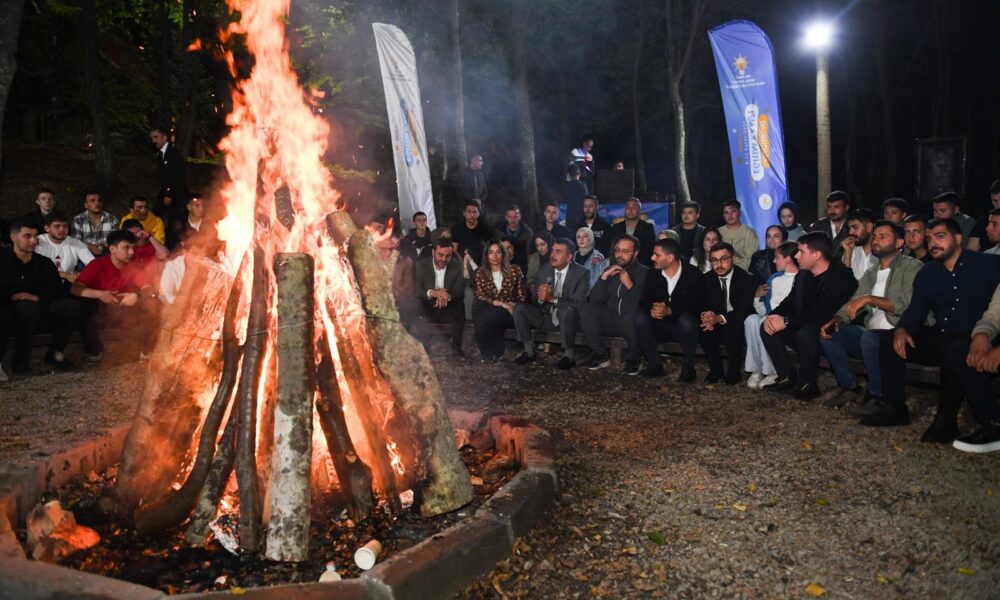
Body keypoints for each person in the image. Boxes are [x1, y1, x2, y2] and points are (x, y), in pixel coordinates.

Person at [869, 219, 1000, 446]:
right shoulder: (928, 273)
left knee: (956, 348)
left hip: (978, 338)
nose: (932, 243)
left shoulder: (986, 264)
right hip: (943, 335)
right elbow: (916, 310)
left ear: (958, 239)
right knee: (890, 340)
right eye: (929, 239)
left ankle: (948, 419)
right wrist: (903, 329)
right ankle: (894, 408)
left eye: (940, 236)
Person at [818, 221, 923, 410]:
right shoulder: (872, 272)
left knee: (870, 337)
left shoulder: (912, 267)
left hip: (899, 335)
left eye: (883, 237)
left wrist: (870, 299)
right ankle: (850, 386)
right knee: (830, 334)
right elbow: (855, 300)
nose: (876, 240)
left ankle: (877, 394)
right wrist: (838, 318)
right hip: (871, 336)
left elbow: (907, 305)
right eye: (874, 236)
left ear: (899, 243)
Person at [760, 232, 858, 399]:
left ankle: (808, 384)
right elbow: (790, 302)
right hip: (804, 325)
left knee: (805, 332)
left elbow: (823, 314)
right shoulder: (803, 274)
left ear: (816, 254)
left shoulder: (840, 276)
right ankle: (787, 376)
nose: (796, 256)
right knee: (767, 326)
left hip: (830, 330)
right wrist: (774, 316)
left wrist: (787, 321)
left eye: (801, 252)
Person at [0, 220, 79, 377]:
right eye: (27, 236)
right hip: (7, 305)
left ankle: (55, 353)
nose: (33, 240)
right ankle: (20, 363)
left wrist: (36, 297)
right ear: (13, 237)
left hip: (39, 305)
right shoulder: (2, 259)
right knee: (23, 309)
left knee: (69, 306)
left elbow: (56, 289)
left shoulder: (43, 263)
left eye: (35, 236)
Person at [70, 229, 159, 359]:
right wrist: (100, 294)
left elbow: (149, 288)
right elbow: (75, 289)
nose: (131, 252)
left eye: (133, 248)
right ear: (112, 249)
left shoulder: (134, 266)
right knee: (84, 304)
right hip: (100, 308)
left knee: (151, 303)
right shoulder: (98, 264)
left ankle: (145, 350)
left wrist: (137, 295)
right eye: (126, 248)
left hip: (125, 308)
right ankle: (95, 350)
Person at [513, 238, 589, 369]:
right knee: (519, 308)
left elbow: (578, 303)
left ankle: (569, 356)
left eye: (558, 252)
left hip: (569, 321)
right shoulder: (544, 270)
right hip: (546, 317)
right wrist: (540, 296)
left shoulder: (581, 273)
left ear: (569, 257)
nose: (553, 255)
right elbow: (535, 302)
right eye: (552, 251)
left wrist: (552, 298)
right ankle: (529, 352)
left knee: (567, 311)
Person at [634, 239, 703, 380]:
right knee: (640, 318)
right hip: (659, 324)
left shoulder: (693, 274)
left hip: (684, 326)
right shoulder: (653, 273)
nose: (652, 258)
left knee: (687, 321)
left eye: (657, 255)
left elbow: (696, 304)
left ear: (670, 258)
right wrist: (653, 308)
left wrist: (670, 310)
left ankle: (689, 367)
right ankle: (654, 364)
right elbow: (644, 300)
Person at [579, 235, 648, 373]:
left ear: (635, 253)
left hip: (630, 322)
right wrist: (603, 278)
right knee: (586, 309)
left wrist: (630, 285)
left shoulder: (645, 273)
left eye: (625, 251)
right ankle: (600, 354)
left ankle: (634, 359)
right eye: (617, 250)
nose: (620, 255)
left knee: (633, 316)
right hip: (611, 320)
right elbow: (594, 301)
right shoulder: (610, 271)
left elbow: (644, 305)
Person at [698, 242, 756, 384]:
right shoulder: (706, 278)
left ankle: (733, 372)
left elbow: (743, 309)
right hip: (716, 318)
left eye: (723, 259)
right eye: (714, 260)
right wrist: (706, 315)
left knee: (733, 329)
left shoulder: (746, 279)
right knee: (705, 329)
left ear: (733, 258)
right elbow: (700, 303)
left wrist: (719, 318)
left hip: (738, 319)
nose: (719, 264)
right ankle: (716, 371)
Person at [745, 241, 800, 389]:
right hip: (770, 317)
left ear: (788, 259)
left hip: (787, 324)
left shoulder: (802, 278)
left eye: (777, 257)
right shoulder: (775, 279)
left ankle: (772, 371)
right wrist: (756, 297)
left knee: (766, 321)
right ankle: (756, 369)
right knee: (751, 319)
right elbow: (765, 309)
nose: (774, 261)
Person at [472, 241, 527, 361]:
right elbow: (479, 294)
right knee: (485, 311)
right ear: (486, 255)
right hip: (488, 308)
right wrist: (501, 303)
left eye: (498, 252)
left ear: (503, 254)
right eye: (491, 252)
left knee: (492, 315)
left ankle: (491, 351)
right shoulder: (480, 272)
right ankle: (489, 352)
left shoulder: (515, 270)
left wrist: (514, 305)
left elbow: (522, 295)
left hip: (509, 312)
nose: (495, 256)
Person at [414, 239, 466, 357]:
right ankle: (424, 347)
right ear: (433, 252)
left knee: (459, 306)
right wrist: (433, 293)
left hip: (448, 304)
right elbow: (417, 290)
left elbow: (459, 291)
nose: (444, 259)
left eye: (448, 256)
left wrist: (445, 295)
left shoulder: (457, 266)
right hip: (428, 303)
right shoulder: (421, 265)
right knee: (417, 304)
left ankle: (456, 347)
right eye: (440, 255)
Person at [150, 126, 187, 247]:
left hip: (174, 195)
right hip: (165, 193)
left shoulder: (172, 153)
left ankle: (175, 246)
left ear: (164, 137)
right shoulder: (162, 154)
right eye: (152, 138)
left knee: (174, 222)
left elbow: (177, 175)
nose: (154, 141)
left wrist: (169, 194)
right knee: (156, 216)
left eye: (156, 137)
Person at [35, 212, 95, 285]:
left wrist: (83, 275)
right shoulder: (38, 242)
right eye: (57, 226)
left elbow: (94, 265)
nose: (62, 229)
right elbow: (34, 270)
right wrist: (65, 275)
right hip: (41, 284)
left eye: (65, 226)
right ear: (47, 228)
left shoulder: (76, 243)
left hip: (66, 286)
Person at [609, 197, 655, 267]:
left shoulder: (647, 228)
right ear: (625, 210)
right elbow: (612, 249)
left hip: (641, 267)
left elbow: (650, 250)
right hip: (619, 265)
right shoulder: (616, 228)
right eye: (628, 207)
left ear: (639, 210)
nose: (630, 210)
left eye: (634, 207)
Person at [71, 187, 118, 257]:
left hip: (107, 254)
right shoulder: (78, 220)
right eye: (92, 201)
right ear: (86, 205)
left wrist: (104, 246)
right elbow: (75, 241)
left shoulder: (111, 219)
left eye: (99, 200)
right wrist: (89, 247)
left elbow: (115, 240)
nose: (97, 203)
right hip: (84, 255)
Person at [718, 199, 759, 271]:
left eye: (733, 211)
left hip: (744, 272)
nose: (729, 215)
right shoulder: (719, 232)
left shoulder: (749, 233)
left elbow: (752, 259)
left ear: (740, 213)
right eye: (726, 213)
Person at [809, 191, 851, 260]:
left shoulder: (853, 227)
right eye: (829, 207)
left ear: (846, 208)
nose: (832, 211)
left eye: (836, 207)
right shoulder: (817, 226)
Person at [841, 209, 878, 280]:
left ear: (869, 227)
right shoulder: (851, 250)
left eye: (855, 227)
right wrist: (848, 252)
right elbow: (843, 280)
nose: (850, 232)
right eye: (849, 229)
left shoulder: (883, 251)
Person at [495, 204, 533, 273]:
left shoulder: (528, 234)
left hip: (523, 269)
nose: (512, 220)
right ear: (506, 217)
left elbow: (530, 255)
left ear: (520, 217)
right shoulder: (498, 233)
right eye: (510, 217)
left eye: (515, 216)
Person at [967, 180, 1000, 252]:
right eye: (995, 201)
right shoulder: (984, 220)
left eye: (994, 224)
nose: (998, 206)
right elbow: (971, 251)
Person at [563, 164, 588, 230]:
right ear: (579, 174)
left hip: (570, 219)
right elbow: (586, 201)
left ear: (569, 175)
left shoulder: (566, 187)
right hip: (580, 219)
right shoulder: (582, 186)